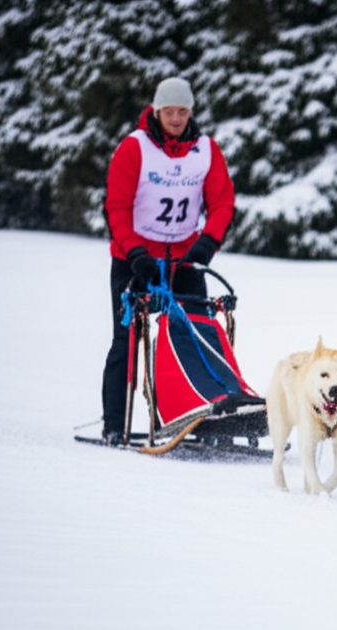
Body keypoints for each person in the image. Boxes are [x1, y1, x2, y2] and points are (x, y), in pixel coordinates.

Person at [100, 76, 235, 444]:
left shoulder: (206, 150)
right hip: (135, 259)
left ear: (191, 112)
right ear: (156, 111)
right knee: (126, 339)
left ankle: (204, 418)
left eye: (182, 111)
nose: (175, 118)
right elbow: (116, 207)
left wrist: (207, 244)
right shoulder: (134, 148)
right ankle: (115, 424)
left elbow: (222, 202)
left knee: (198, 333)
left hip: (185, 260)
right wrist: (135, 253)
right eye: (169, 111)